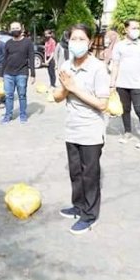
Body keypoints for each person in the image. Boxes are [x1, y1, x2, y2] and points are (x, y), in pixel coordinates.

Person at [53, 24, 111, 235]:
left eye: (81, 39)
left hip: (91, 130)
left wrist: (74, 88)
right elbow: (57, 97)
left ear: (89, 42)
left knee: (90, 175)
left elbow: (102, 104)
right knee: (75, 172)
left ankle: (90, 215)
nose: (76, 43)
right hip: (72, 128)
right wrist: (64, 87)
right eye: (73, 39)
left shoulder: (98, 68)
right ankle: (78, 205)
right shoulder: (66, 65)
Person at [109, 19, 140, 148]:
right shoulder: (119, 46)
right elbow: (115, 65)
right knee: (125, 109)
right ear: (126, 30)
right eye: (133, 28)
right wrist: (112, 84)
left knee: (139, 109)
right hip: (122, 83)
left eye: (138, 28)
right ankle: (127, 132)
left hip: (138, 84)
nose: (136, 30)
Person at [1, 22, 36, 124]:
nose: (15, 30)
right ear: (10, 30)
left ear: (22, 28)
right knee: (9, 96)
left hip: (22, 73)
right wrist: (0, 75)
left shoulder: (28, 42)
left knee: (22, 95)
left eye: (17, 28)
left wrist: (33, 74)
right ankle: (8, 115)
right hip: (8, 73)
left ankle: (23, 115)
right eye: (13, 28)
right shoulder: (8, 43)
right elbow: (4, 59)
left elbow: (31, 58)